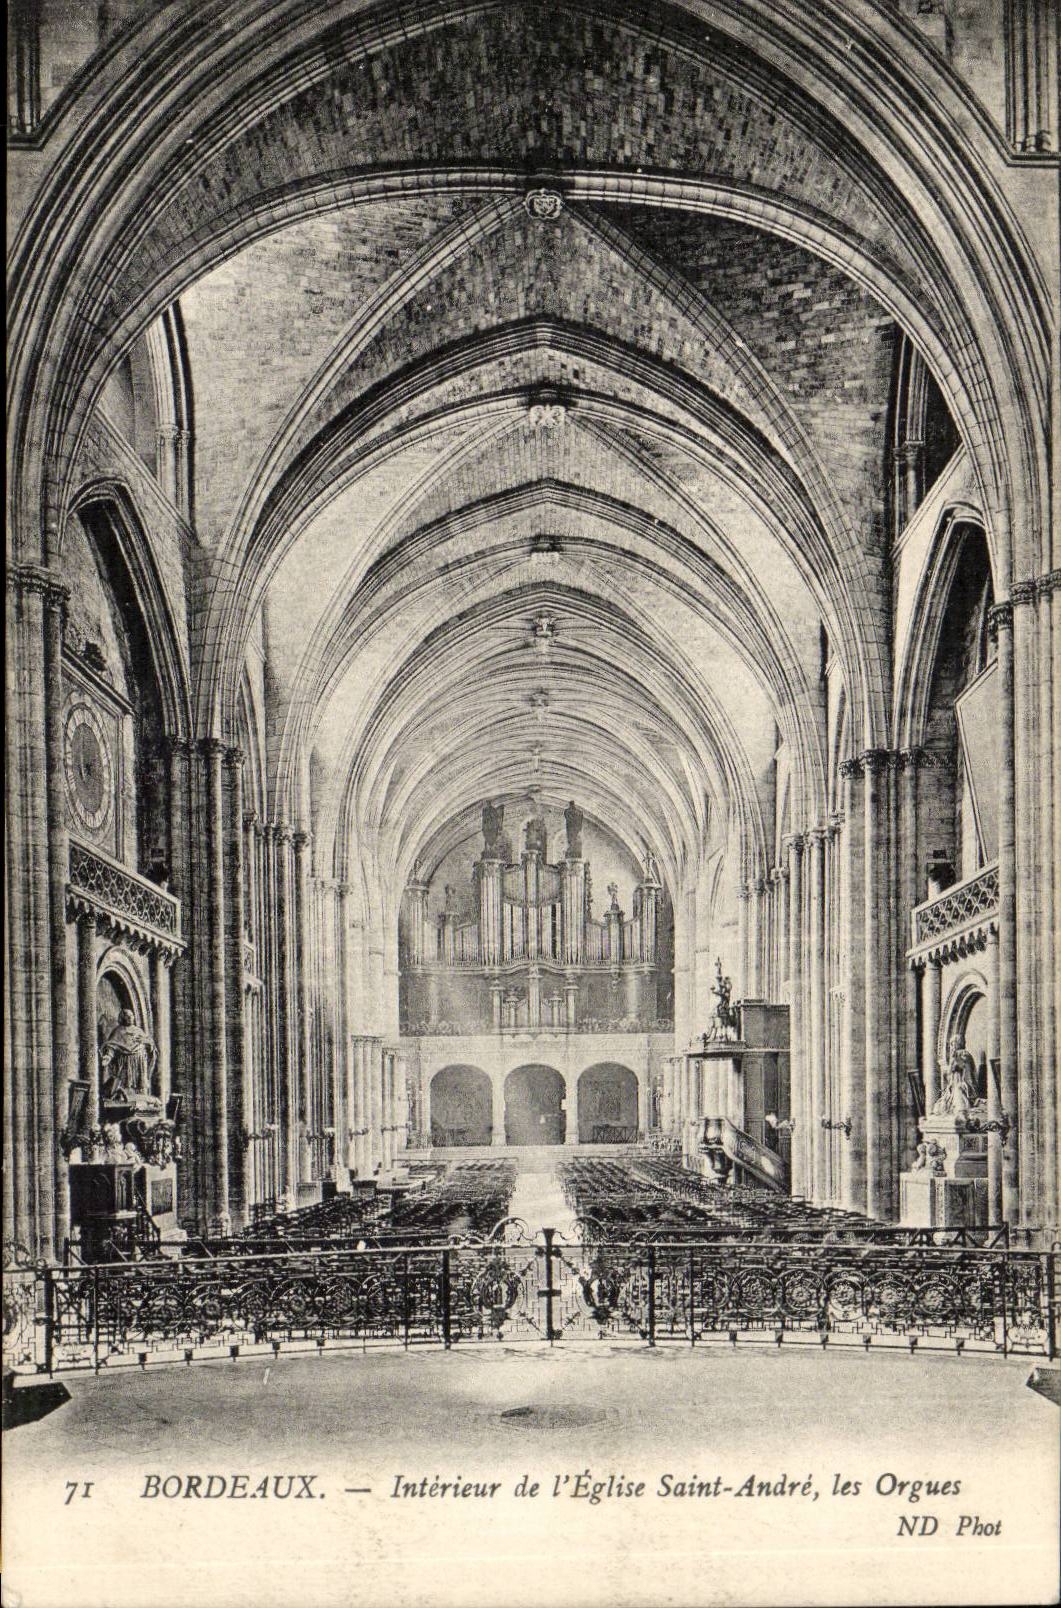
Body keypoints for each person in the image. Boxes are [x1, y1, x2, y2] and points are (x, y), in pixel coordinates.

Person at [100, 1009, 158, 1099]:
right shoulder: (118, 1031)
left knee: (140, 1085)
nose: (130, 1017)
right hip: (125, 1062)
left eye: (131, 1015)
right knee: (125, 1083)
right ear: (122, 1018)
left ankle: (140, 1093)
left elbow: (151, 1046)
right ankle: (123, 1095)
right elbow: (112, 1046)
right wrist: (108, 1057)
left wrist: (146, 1042)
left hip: (140, 1062)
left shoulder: (138, 1030)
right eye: (127, 1016)